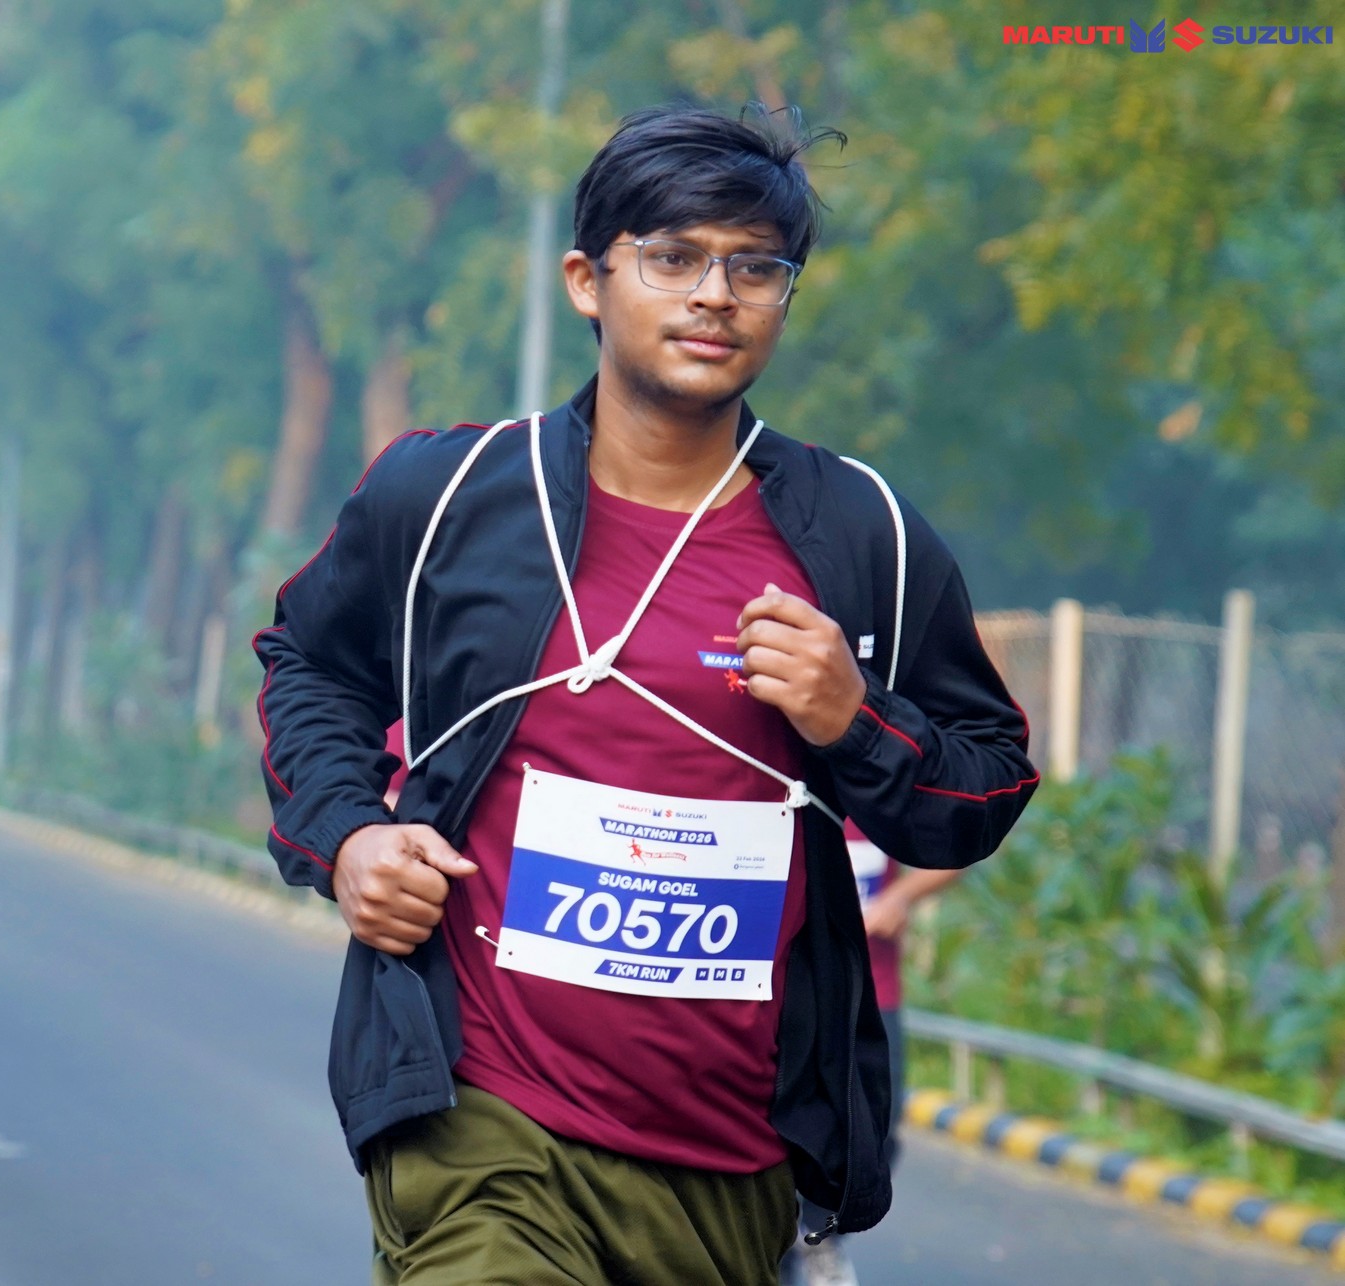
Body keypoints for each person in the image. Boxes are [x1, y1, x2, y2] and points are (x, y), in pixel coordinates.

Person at [253, 105, 1036, 1286]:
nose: (715, 295)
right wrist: (351, 834)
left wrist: (854, 718)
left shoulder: (859, 532)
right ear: (589, 279)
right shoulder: (453, 495)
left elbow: (985, 783)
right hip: (480, 1113)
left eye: (756, 268)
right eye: (674, 257)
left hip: (733, 1158)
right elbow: (310, 662)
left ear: (785, 298)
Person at [781, 822, 962, 1286]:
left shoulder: (874, 791)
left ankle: (819, 1238)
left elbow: (953, 846)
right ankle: (774, 1242)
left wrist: (899, 898)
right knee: (778, 1123)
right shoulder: (779, 792)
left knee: (875, 1127)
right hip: (787, 993)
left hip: (871, 992)